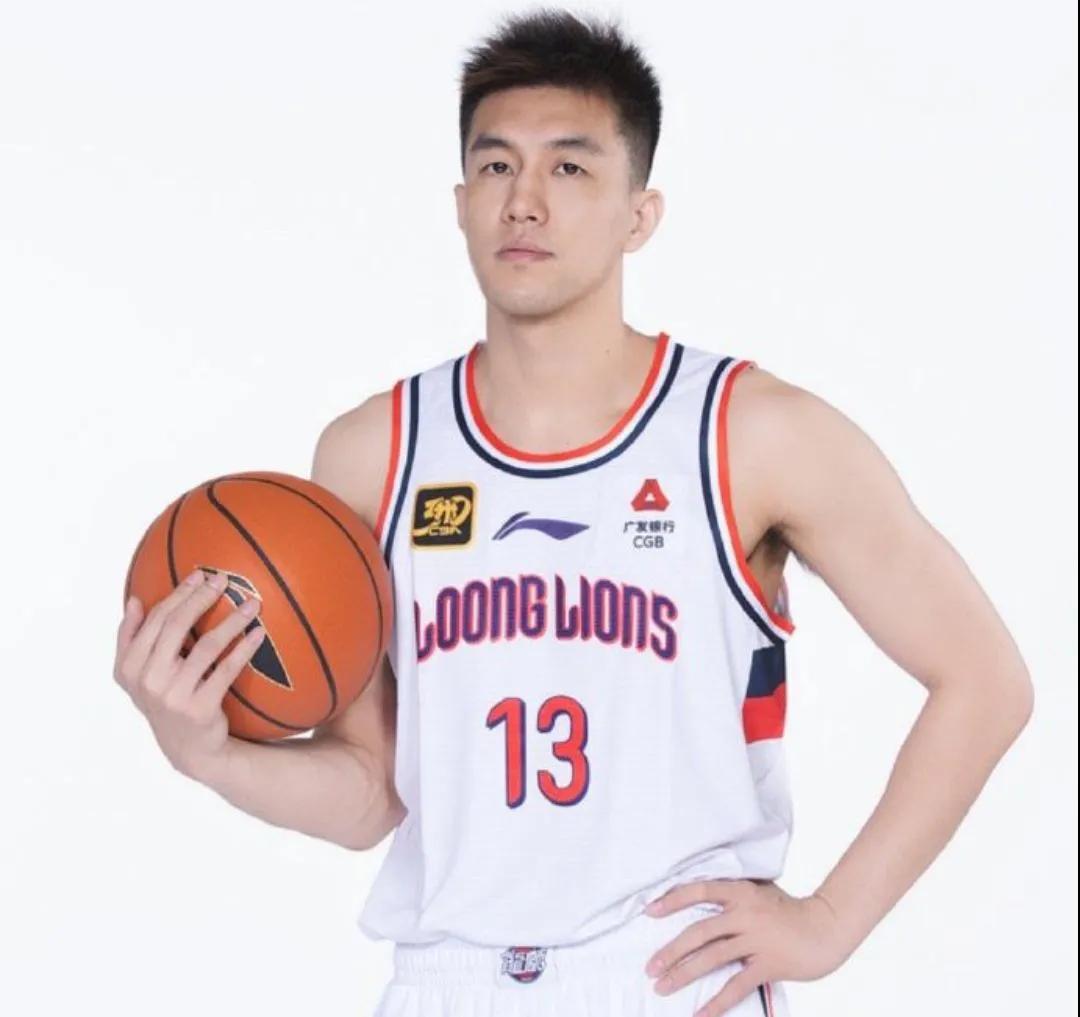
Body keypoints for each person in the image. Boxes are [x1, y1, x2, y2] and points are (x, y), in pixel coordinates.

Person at [113, 8, 1034, 1017]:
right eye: (497, 166)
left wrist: (829, 921)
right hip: (448, 978)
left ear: (640, 213)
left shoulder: (754, 434)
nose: (526, 202)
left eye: (570, 167)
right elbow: (373, 792)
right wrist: (207, 753)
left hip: (667, 972)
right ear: (461, 202)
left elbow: (984, 680)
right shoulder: (374, 453)